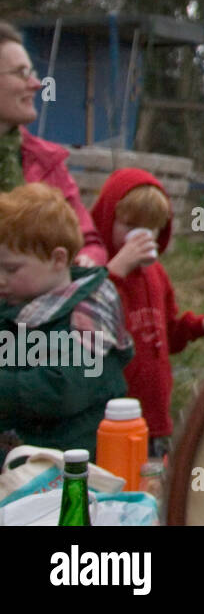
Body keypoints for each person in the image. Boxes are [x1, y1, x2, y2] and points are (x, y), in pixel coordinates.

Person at [90, 168, 204, 454]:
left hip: (154, 420)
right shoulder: (95, 276)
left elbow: (167, 333)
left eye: (152, 228)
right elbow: (88, 317)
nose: (141, 237)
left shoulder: (156, 274)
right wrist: (116, 271)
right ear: (107, 217)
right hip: (109, 421)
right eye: (129, 225)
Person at [0, 183, 133, 456]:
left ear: (58, 259)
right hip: (23, 462)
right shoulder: (15, 306)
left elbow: (62, 387)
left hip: (75, 467)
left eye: (11, 269)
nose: (1, 279)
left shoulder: (89, 310)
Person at [0, 20, 107, 265]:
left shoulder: (46, 160)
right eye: (21, 73)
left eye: (33, 73)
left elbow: (88, 242)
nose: (36, 84)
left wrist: (83, 261)